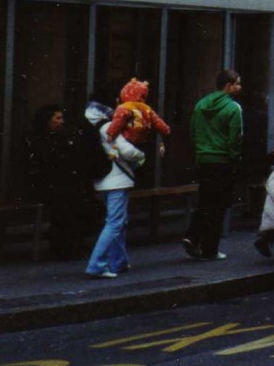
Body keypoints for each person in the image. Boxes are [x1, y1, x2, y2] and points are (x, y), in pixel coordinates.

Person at [23, 104, 100, 260]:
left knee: (74, 201)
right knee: (66, 203)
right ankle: (63, 245)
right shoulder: (39, 139)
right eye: (57, 118)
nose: (61, 121)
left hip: (63, 184)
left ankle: (69, 243)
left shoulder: (62, 137)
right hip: (50, 185)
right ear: (47, 120)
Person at [182, 69, 243, 262]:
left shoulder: (200, 105)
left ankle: (193, 236)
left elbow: (193, 132)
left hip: (204, 160)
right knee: (219, 206)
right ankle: (210, 249)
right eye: (237, 83)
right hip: (223, 161)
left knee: (206, 201)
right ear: (228, 86)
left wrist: (199, 153)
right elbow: (235, 139)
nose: (240, 87)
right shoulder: (233, 108)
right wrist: (235, 160)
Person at [84, 100, 146, 279]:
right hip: (117, 180)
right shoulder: (108, 126)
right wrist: (141, 155)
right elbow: (127, 151)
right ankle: (96, 265)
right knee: (115, 222)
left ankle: (119, 261)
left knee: (118, 220)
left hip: (103, 180)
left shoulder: (92, 127)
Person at [106, 78, 171, 149]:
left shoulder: (124, 107)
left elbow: (117, 122)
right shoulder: (147, 108)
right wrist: (166, 129)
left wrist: (110, 134)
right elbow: (157, 121)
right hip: (142, 141)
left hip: (128, 139)